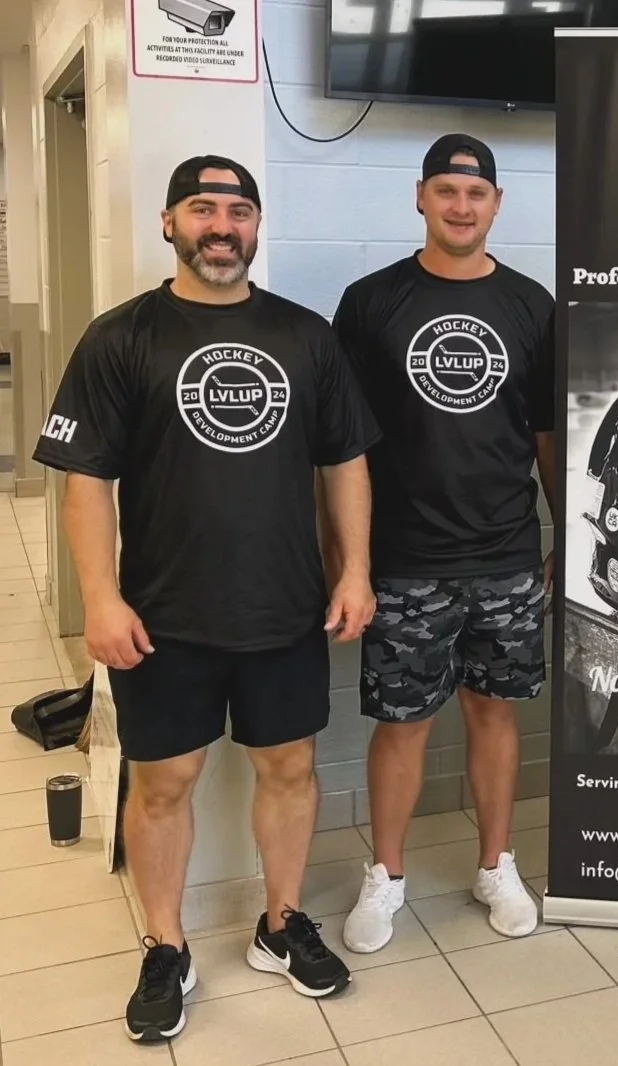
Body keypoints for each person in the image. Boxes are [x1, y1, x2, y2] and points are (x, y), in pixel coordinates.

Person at [32, 156, 383, 1042]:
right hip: (163, 616)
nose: (221, 225)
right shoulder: (121, 337)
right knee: (164, 784)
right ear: (169, 223)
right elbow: (85, 481)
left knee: (290, 769)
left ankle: (281, 924)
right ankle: (166, 946)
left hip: (284, 609)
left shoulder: (306, 336)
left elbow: (344, 462)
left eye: (237, 210)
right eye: (201, 208)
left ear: (256, 226)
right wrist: (100, 599)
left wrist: (353, 572)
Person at [321, 133, 555, 954]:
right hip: (405, 560)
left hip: (506, 556)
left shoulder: (531, 305)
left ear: (496, 204)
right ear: (420, 197)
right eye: (447, 191)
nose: (461, 206)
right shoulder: (370, 302)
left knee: (494, 714)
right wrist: (346, 563)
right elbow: (341, 446)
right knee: (404, 724)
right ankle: (386, 876)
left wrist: (564, 537)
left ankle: (496, 865)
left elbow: (545, 434)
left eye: (476, 193)